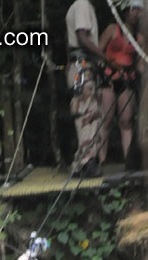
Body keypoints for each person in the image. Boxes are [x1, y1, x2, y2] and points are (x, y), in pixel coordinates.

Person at [65, 0, 110, 177]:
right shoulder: (82, 5)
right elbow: (82, 37)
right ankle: (87, 161)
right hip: (82, 66)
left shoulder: (80, 6)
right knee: (88, 112)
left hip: (82, 65)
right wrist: (105, 57)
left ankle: (80, 163)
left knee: (86, 110)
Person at [97, 1, 143, 166]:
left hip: (127, 80)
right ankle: (101, 159)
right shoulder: (112, 29)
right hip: (109, 77)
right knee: (107, 119)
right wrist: (106, 67)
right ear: (126, 10)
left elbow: (140, 64)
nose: (136, 13)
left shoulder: (139, 38)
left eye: (139, 10)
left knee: (126, 120)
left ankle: (128, 159)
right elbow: (99, 50)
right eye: (134, 9)